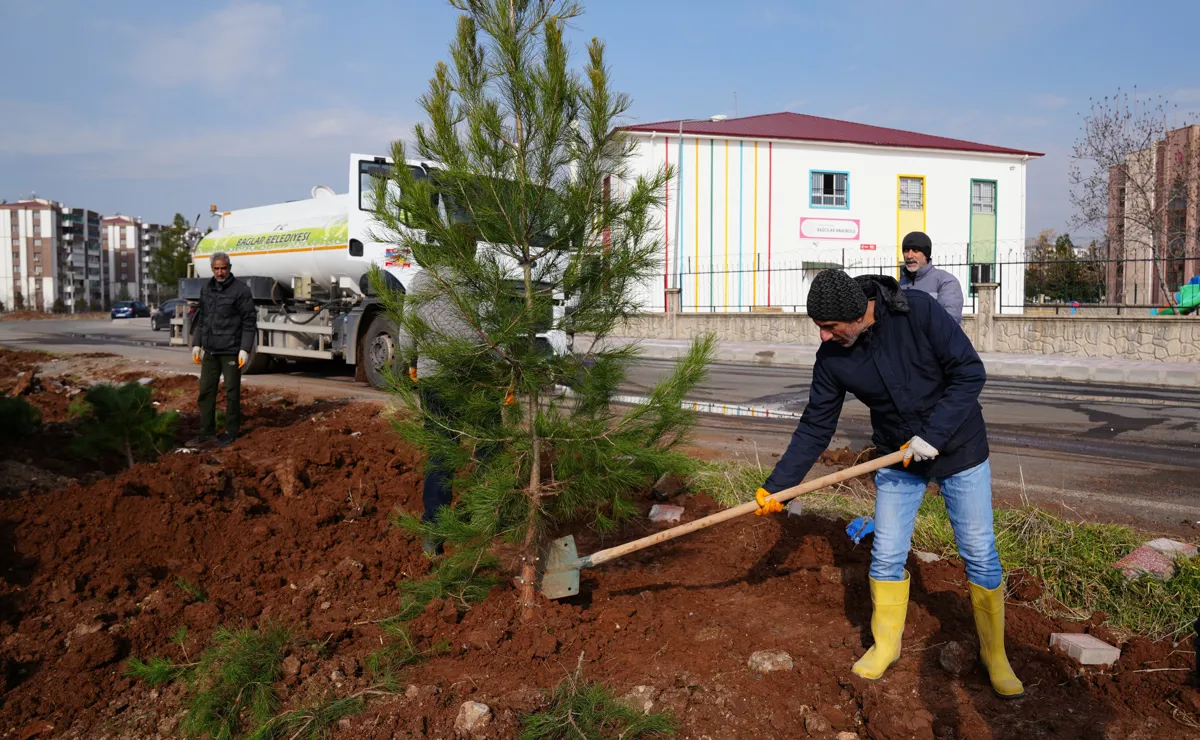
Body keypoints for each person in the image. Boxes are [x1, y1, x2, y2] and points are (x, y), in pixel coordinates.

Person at [755, 268, 1023, 698]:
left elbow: (970, 373)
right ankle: (886, 646)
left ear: (858, 314)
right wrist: (779, 486)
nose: (823, 337)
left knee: (978, 552)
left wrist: (934, 435)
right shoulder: (833, 358)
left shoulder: (917, 312)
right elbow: (815, 427)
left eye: (829, 327)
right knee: (886, 555)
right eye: (818, 328)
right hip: (896, 455)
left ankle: (996, 655)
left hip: (959, 448)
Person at [188, 252, 256, 448]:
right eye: (216, 268)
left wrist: (244, 349)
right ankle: (206, 432)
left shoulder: (240, 291)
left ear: (229, 267)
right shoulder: (206, 289)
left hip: (231, 351)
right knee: (206, 391)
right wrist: (197, 343)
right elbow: (202, 319)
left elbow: (249, 322)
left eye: (223, 268)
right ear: (212, 268)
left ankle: (231, 432)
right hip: (210, 350)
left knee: (232, 392)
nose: (220, 272)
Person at [899, 231, 964, 323]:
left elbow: (949, 321)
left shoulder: (946, 282)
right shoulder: (899, 285)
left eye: (916, 251)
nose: (909, 256)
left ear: (926, 255)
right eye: (906, 251)